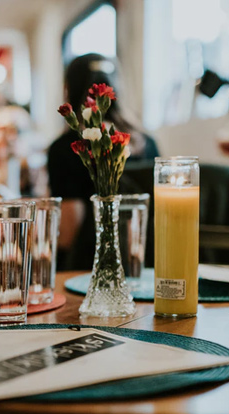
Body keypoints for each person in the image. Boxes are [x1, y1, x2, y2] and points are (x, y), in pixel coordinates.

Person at [47, 53, 160, 269]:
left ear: (67, 89)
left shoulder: (66, 148)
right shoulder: (147, 143)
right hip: (146, 266)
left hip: (88, 272)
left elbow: (70, 234)